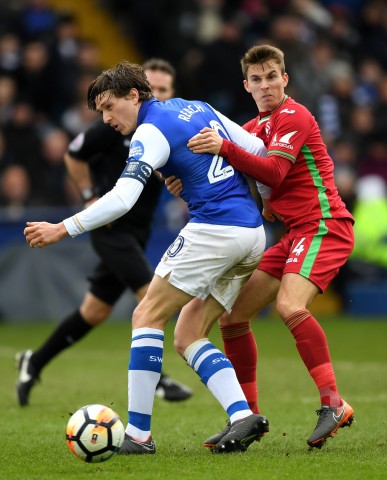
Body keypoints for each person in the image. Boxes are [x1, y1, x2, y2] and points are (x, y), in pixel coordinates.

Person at [23, 60, 270, 454]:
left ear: (134, 95)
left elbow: (122, 199)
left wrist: (61, 228)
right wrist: (267, 204)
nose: (106, 119)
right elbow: (256, 149)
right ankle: (242, 416)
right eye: (100, 112)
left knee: (146, 315)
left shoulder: (149, 131)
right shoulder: (197, 106)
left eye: (109, 107)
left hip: (215, 231)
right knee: (188, 334)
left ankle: (138, 435)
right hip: (252, 234)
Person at [185, 44, 355, 449]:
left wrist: (224, 148)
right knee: (233, 316)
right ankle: (247, 419)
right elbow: (231, 177)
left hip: (323, 225)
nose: (265, 85)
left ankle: (334, 402)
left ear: (285, 78)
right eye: (257, 80)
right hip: (294, 233)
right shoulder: (251, 129)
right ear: (246, 85)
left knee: (289, 306)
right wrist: (181, 181)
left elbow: (276, 172)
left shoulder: (294, 115)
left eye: (271, 77)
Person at [15, 59, 193, 407]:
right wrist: (88, 196)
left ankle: (32, 362)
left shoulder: (165, 124)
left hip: (139, 229)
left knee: (94, 311)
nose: (155, 95)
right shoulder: (113, 126)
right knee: (152, 297)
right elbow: (73, 154)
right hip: (110, 228)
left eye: (163, 91)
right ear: (136, 93)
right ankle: (157, 379)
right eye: (151, 88)